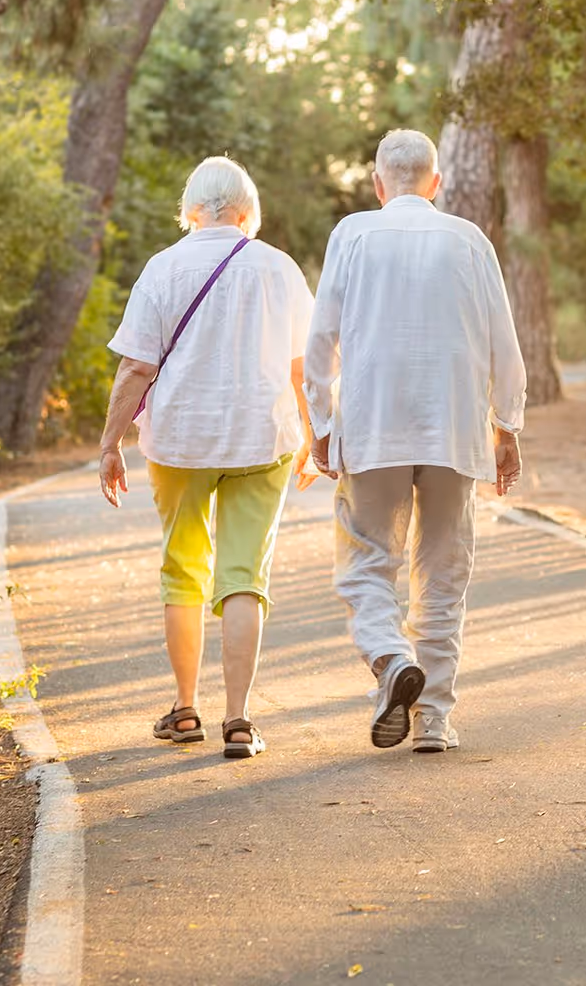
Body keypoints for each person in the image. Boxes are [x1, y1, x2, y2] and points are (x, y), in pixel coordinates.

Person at [303, 128, 527, 754]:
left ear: (379, 185)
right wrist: (506, 427)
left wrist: (321, 425)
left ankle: (389, 656)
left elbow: (319, 342)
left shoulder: (352, 234)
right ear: (436, 183)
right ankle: (431, 717)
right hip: (454, 427)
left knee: (366, 562)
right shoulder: (469, 240)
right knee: (443, 569)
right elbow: (503, 344)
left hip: (373, 424)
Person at [97, 156, 318, 759]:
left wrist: (110, 442)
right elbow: (306, 368)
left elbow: (137, 366)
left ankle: (186, 709)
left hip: (180, 442)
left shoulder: (162, 268)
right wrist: (316, 436)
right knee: (245, 576)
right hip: (263, 439)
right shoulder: (279, 268)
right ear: (248, 211)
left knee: (183, 569)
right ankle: (239, 721)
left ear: (191, 210)